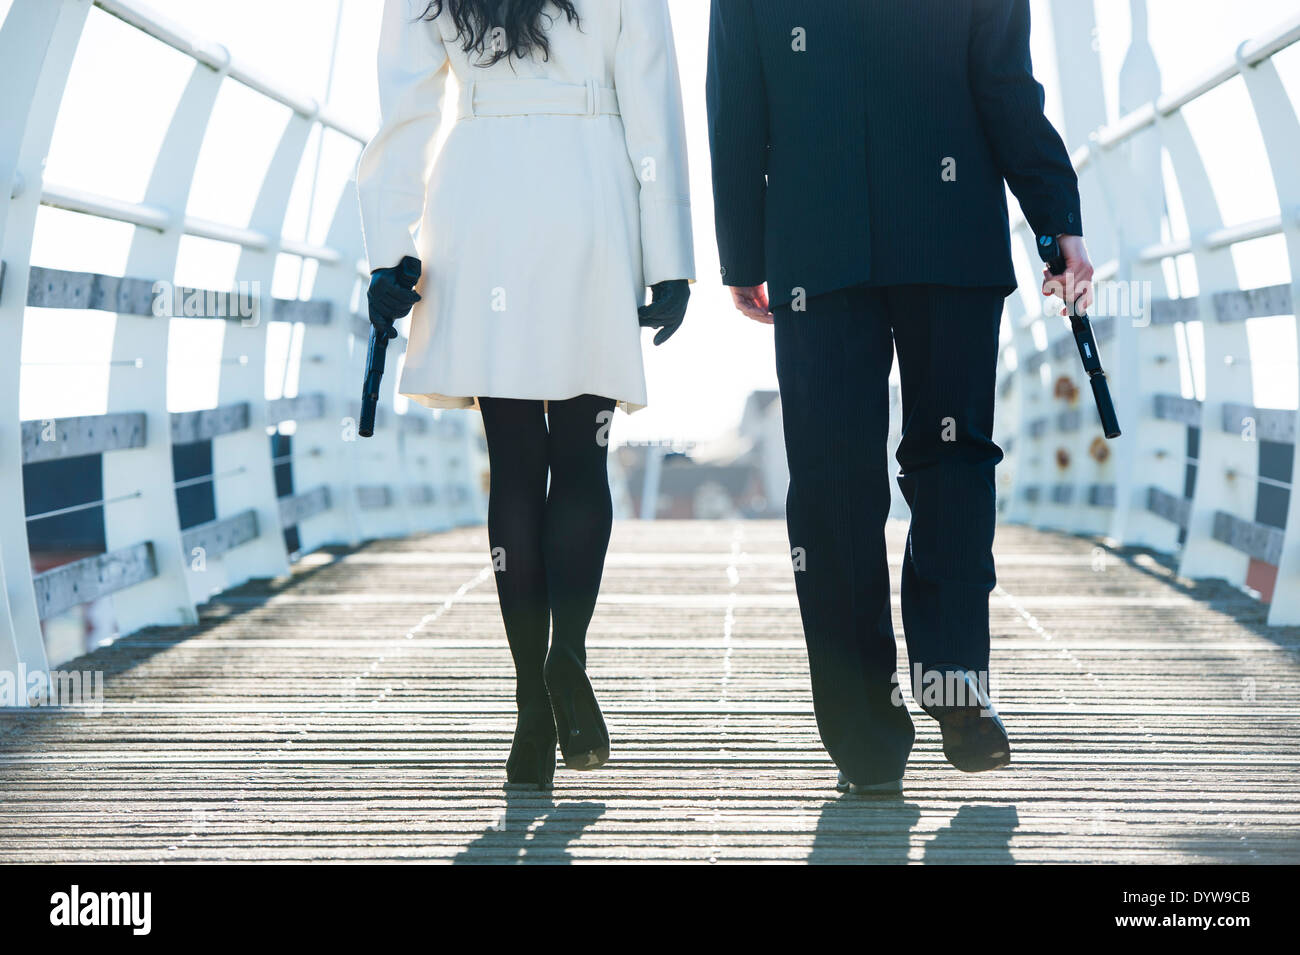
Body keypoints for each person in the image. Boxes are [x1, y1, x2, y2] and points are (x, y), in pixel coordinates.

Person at [706, 0, 1094, 792]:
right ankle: (955, 680)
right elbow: (1004, 86)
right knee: (951, 459)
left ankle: (865, 736)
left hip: (817, 238)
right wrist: (1056, 225)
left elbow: (736, 99)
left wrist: (744, 249)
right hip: (947, 230)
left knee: (834, 485)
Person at [357, 0, 695, 790]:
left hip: (481, 199)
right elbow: (649, 95)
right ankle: (566, 659)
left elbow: (404, 107)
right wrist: (668, 255)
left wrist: (389, 252)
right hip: (590, 194)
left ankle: (529, 708)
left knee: (514, 465)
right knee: (583, 461)